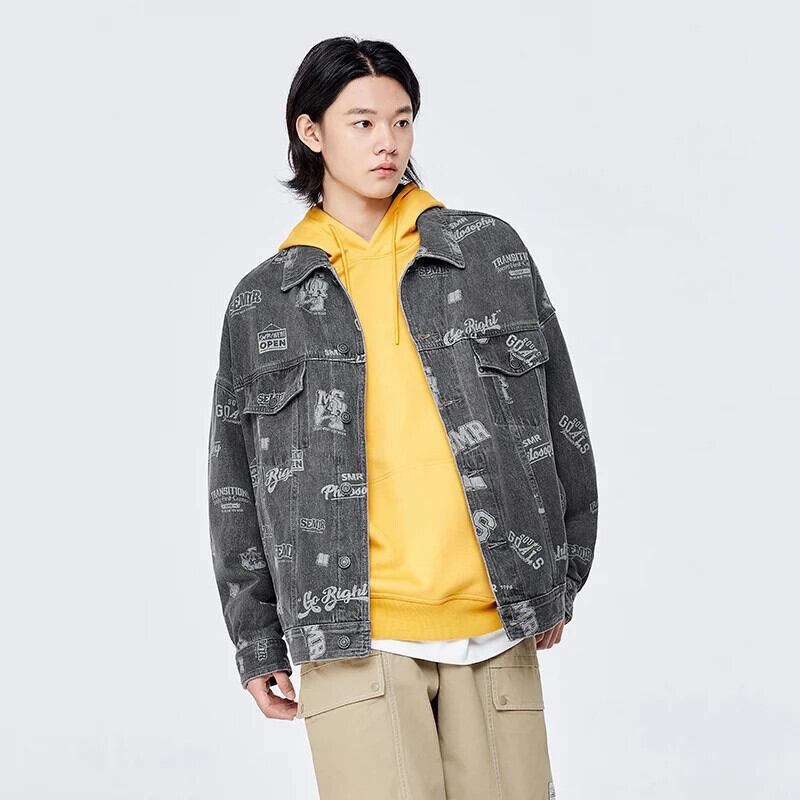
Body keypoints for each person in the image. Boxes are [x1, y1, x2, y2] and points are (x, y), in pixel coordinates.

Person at [208, 36, 598, 800]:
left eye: (401, 120)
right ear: (310, 132)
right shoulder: (264, 301)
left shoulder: (488, 254)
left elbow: (561, 418)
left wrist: (557, 575)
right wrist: (256, 637)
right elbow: (235, 483)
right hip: (351, 631)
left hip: (495, 617)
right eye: (361, 123)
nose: (387, 141)